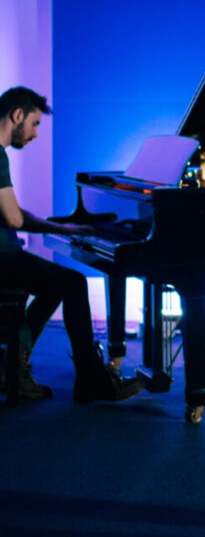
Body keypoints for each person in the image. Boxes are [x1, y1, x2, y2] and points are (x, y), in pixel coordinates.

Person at [0, 86, 140, 403]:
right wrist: (62, 227)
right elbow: (14, 218)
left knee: (55, 285)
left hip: (6, 252)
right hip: (3, 256)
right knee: (74, 284)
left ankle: (13, 367)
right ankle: (92, 381)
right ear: (17, 115)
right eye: (35, 124)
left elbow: (13, 212)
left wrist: (63, 226)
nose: (35, 134)